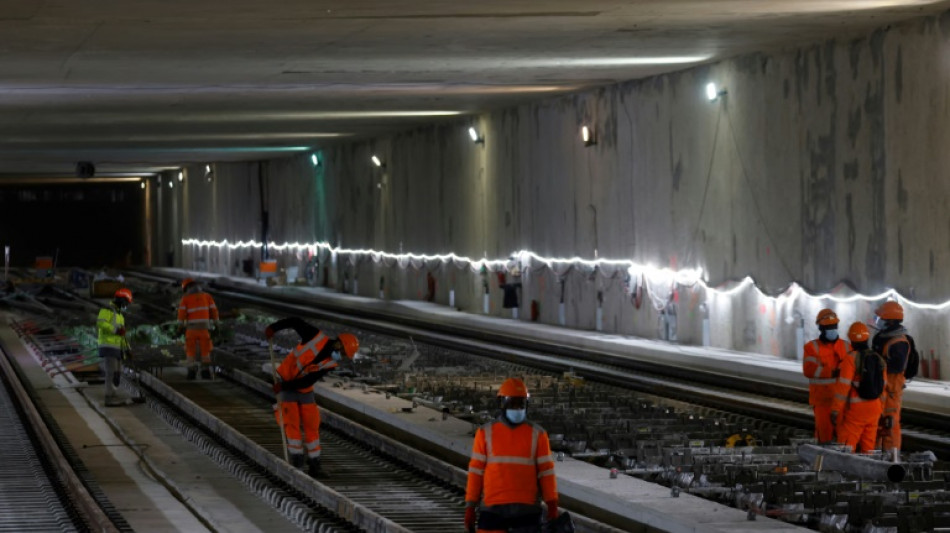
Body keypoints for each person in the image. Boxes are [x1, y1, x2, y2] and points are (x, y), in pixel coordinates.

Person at [265, 317, 359, 477]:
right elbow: (295, 322)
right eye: (343, 352)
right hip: (287, 380)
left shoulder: (330, 363)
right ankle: (297, 463)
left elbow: (307, 381)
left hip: (302, 388)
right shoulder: (315, 336)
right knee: (291, 423)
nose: (341, 356)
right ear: (339, 344)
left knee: (312, 424)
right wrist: (274, 328)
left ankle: (315, 465)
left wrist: (283, 387)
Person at [465, 377, 559, 533]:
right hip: (501, 508)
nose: (517, 408)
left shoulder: (538, 434)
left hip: (522, 510)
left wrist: (552, 504)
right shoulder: (485, 433)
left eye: (520, 404)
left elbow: (546, 473)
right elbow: (476, 472)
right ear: (502, 404)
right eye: (513, 404)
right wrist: (470, 506)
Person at [802, 308, 850, 443]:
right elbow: (809, 370)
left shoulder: (846, 346)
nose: (832, 330)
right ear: (821, 329)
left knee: (844, 437)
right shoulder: (811, 347)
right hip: (822, 401)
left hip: (842, 401)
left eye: (834, 326)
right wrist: (831, 372)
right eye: (829, 327)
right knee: (824, 436)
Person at [836, 322, 884, 453]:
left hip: (857, 410)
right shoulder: (878, 358)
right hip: (874, 409)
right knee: (868, 447)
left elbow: (843, 387)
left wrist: (835, 410)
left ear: (851, 340)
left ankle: (845, 466)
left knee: (846, 447)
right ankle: (868, 465)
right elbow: (883, 387)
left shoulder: (851, 358)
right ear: (867, 338)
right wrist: (883, 410)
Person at [872, 301, 911, 456]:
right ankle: (875, 454)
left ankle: (891, 456)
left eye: (880, 318)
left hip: (891, 391)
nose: (877, 321)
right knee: (877, 422)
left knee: (890, 423)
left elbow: (896, 366)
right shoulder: (881, 337)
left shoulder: (899, 343)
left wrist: (877, 363)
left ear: (890, 321)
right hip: (880, 388)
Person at [177, 278, 219, 380]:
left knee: (190, 352)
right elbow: (214, 312)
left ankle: (191, 373)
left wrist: (179, 329)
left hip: (191, 330)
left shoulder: (185, 299)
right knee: (205, 352)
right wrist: (217, 325)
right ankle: (205, 373)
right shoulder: (207, 297)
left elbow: (181, 316)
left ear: (186, 288)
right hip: (204, 330)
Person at [97, 288, 132, 407]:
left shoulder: (120, 315)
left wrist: (127, 349)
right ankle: (109, 397)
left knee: (117, 373)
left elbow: (122, 335)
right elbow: (100, 323)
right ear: (121, 300)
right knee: (111, 372)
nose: (126, 306)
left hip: (117, 347)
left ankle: (113, 394)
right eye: (126, 303)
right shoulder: (107, 309)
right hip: (108, 345)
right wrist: (115, 330)